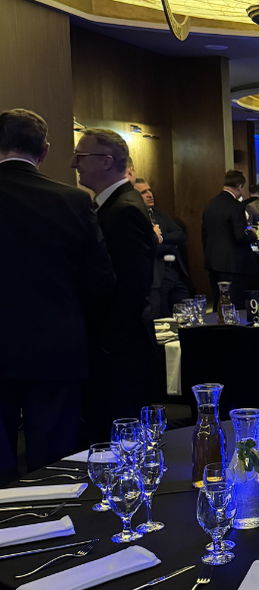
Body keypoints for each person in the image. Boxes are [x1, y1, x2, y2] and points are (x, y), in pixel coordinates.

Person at [0, 109, 114, 480]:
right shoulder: (73, 201)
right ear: (45, 151)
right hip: (56, 345)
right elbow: (100, 281)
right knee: (53, 463)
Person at [72, 127, 157, 446]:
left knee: (119, 439)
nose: (74, 164)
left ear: (106, 161)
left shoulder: (124, 209)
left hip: (118, 350)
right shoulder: (114, 205)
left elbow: (133, 286)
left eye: (80, 156)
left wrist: (103, 341)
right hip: (116, 346)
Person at [202, 169, 258, 309]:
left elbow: (205, 234)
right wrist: (254, 234)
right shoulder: (236, 206)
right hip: (233, 264)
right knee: (234, 305)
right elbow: (239, 235)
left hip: (213, 262)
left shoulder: (211, 204)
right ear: (239, 186)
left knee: (219, 303)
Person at [135, 178, 190, 318]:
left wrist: (161, 239)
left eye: (149, 190)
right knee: (163, 316)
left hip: (174, 270)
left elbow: (180, 234)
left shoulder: (158, 213)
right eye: (143, 192)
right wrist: (168, 246)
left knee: (185, 309)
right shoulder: (136, 217)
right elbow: (147, 248)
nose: (150, 195)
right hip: (156, 275)